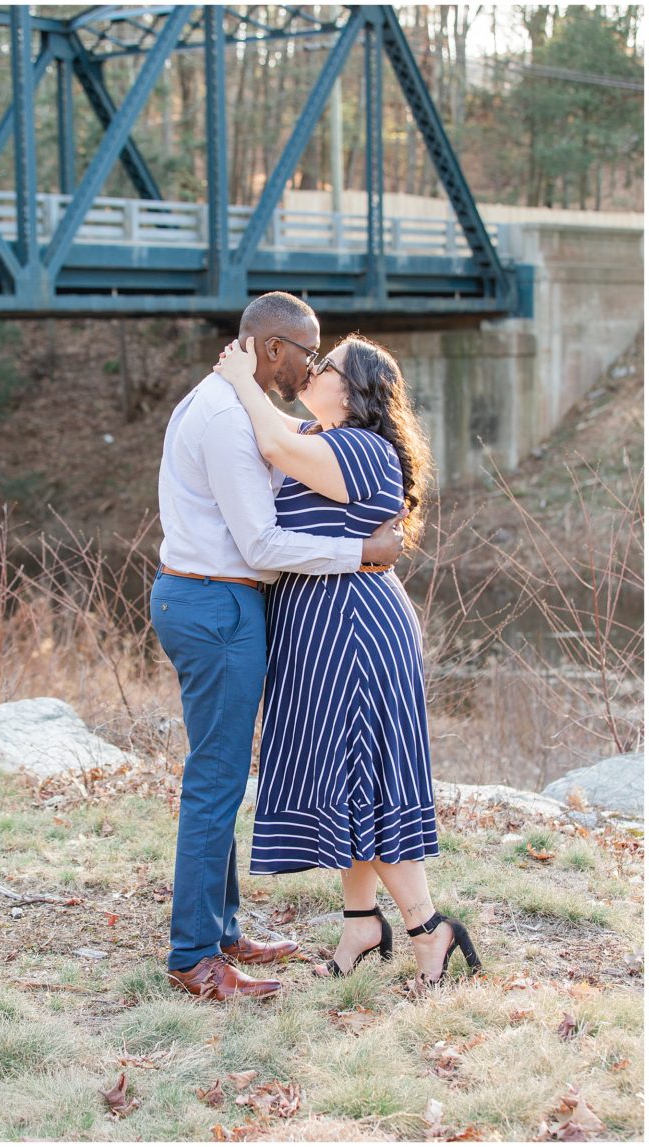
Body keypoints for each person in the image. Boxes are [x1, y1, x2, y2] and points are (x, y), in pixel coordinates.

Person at [150, 292, 407, 1002]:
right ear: (271, 350)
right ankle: (194, 956)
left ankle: (222, 929)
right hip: (216, 602)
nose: (311, 364)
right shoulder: (228, 418)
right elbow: (262, 543)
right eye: (306, 351)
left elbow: (293, 439)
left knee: (221, 774)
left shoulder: (231, 401)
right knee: (216, 781)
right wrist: (360, 550)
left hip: (206, 595)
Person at [214, 333, 482, 987]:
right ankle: (361, 921)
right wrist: (246, 380)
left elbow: (274, 442)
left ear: (355, 389)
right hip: (333, 627)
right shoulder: (324, 435)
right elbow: (280, 428)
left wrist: (239, 376)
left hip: (355, 633)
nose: (313, 367)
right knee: (347, 780)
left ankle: (429, 930)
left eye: (326, 364)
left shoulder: (363, 449)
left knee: (365, 784)